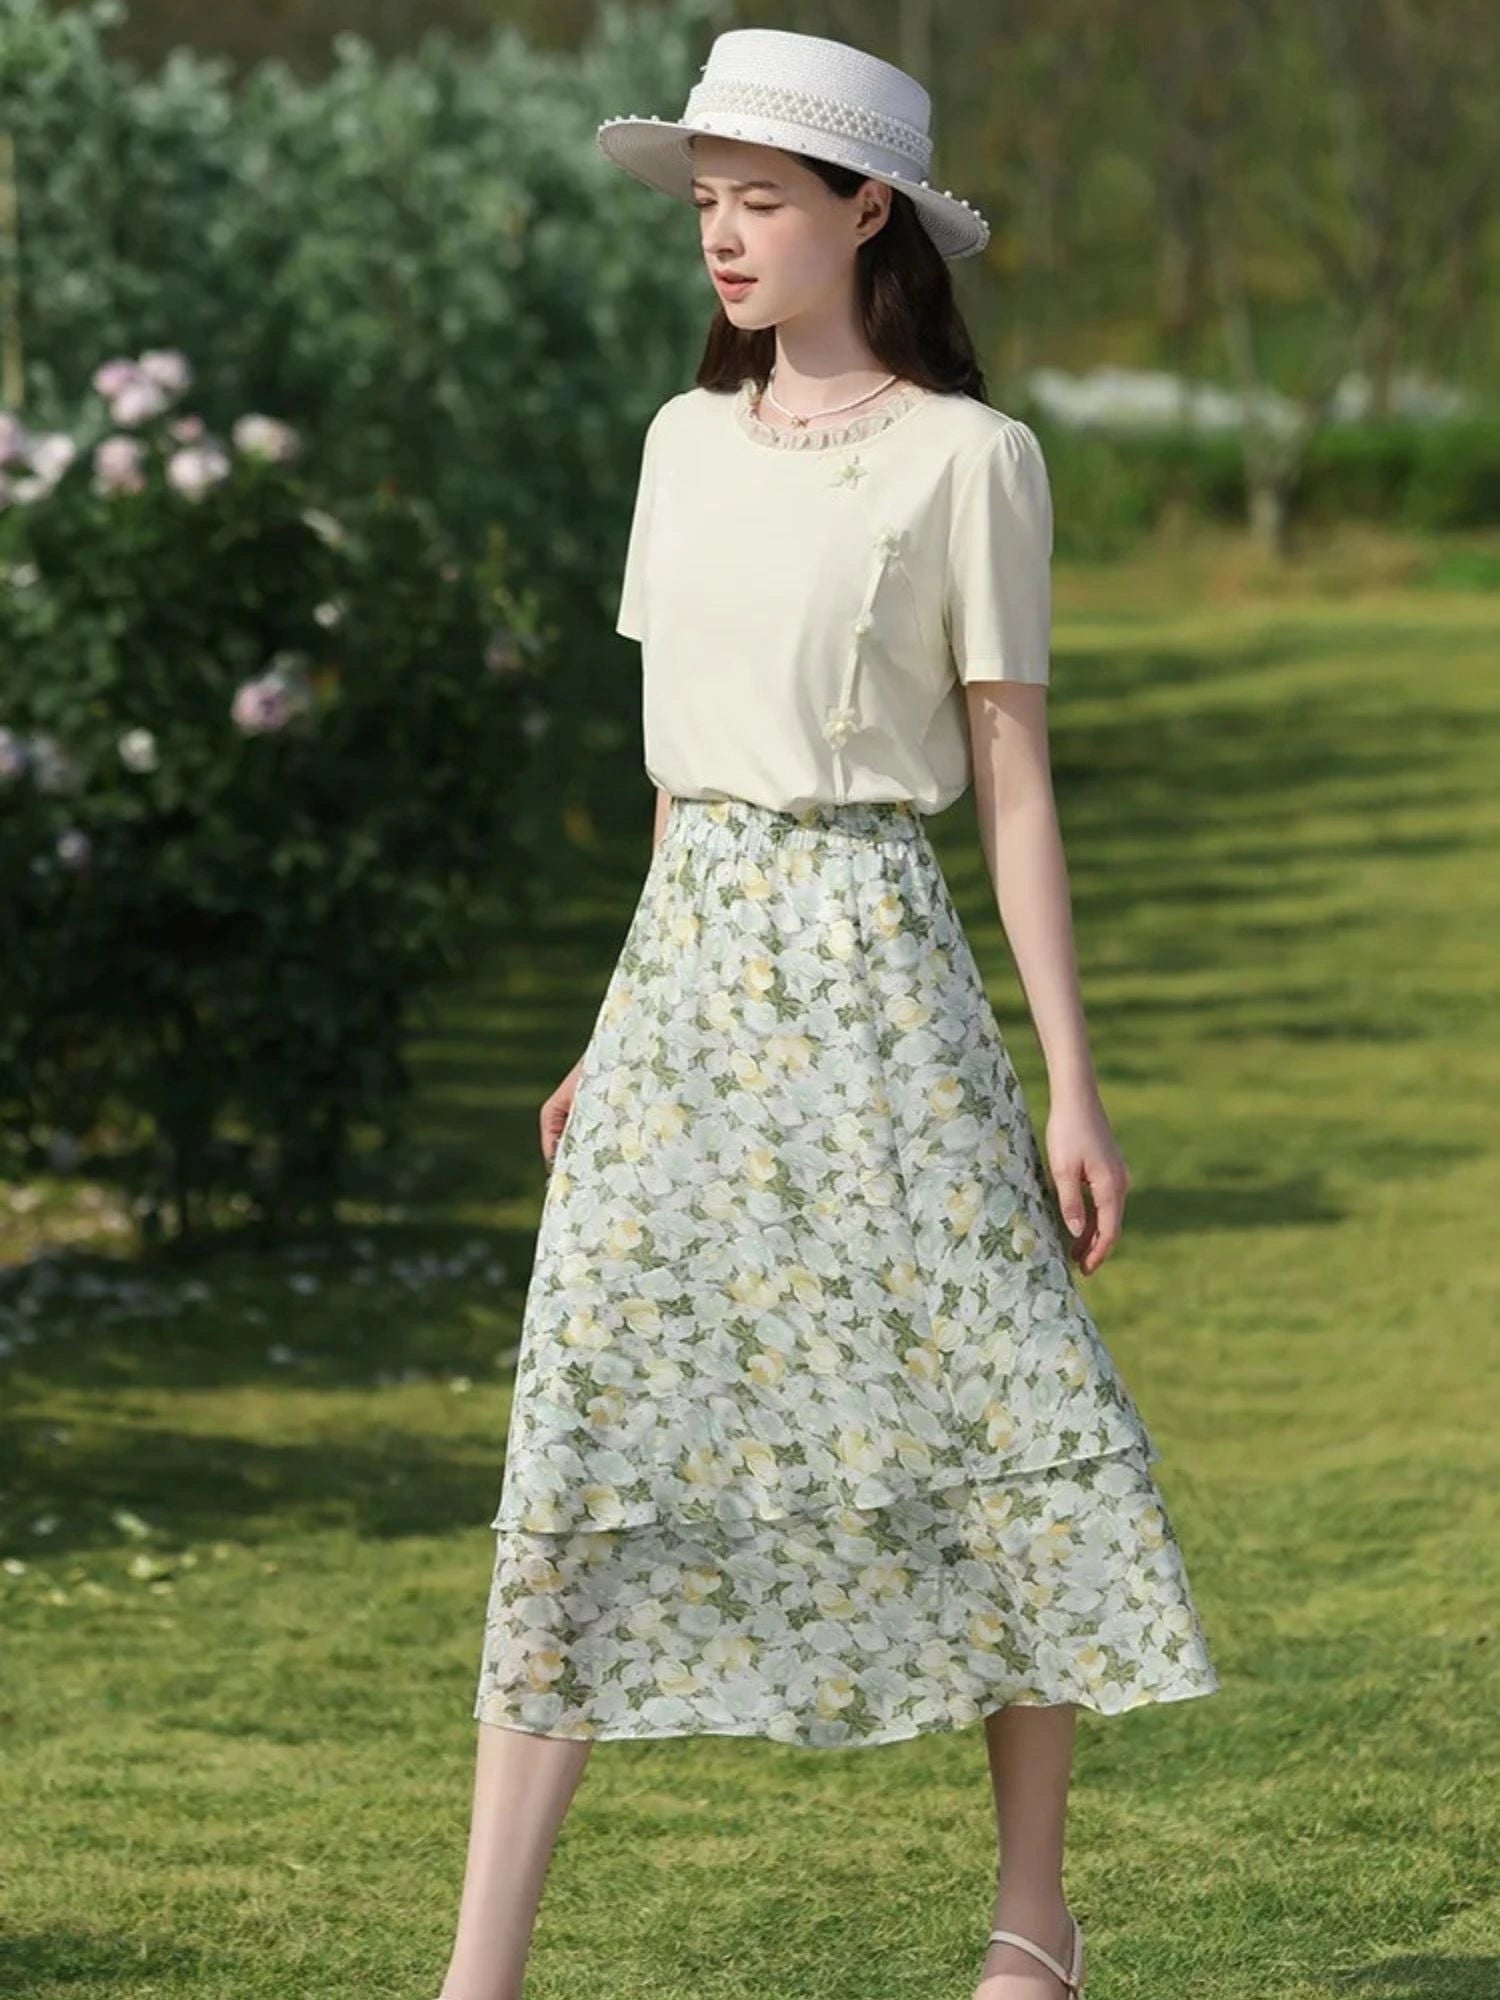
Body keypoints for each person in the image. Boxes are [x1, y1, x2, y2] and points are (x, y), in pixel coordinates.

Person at [438, 28, 1217, 2000]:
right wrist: (614, 1022)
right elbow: (678, 777)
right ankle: (478, 1974)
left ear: (868, 212)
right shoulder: (679, 443)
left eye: (761, 200)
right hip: (685, 982)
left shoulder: (970, 461)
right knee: (586, 1429)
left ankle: (1032, 1922)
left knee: (1003, 1406)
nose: (722, 235)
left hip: (879, 963)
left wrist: (1073, 1085)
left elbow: (1015, 781)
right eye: (706, 202)